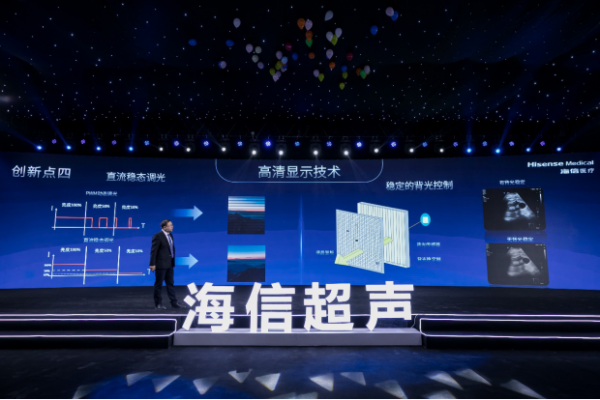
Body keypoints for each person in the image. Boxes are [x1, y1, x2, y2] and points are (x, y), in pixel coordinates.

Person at [149, 219, 185, 309]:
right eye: (170, 225)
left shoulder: (170, 236)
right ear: (164, 227)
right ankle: (158, 304)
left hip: (169, 264)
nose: (172, 227)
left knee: (170, 284)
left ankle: (174, 302)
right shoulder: (158, 236)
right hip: (161, 264)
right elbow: (153, 251)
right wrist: (152, 264)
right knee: (159, 285)